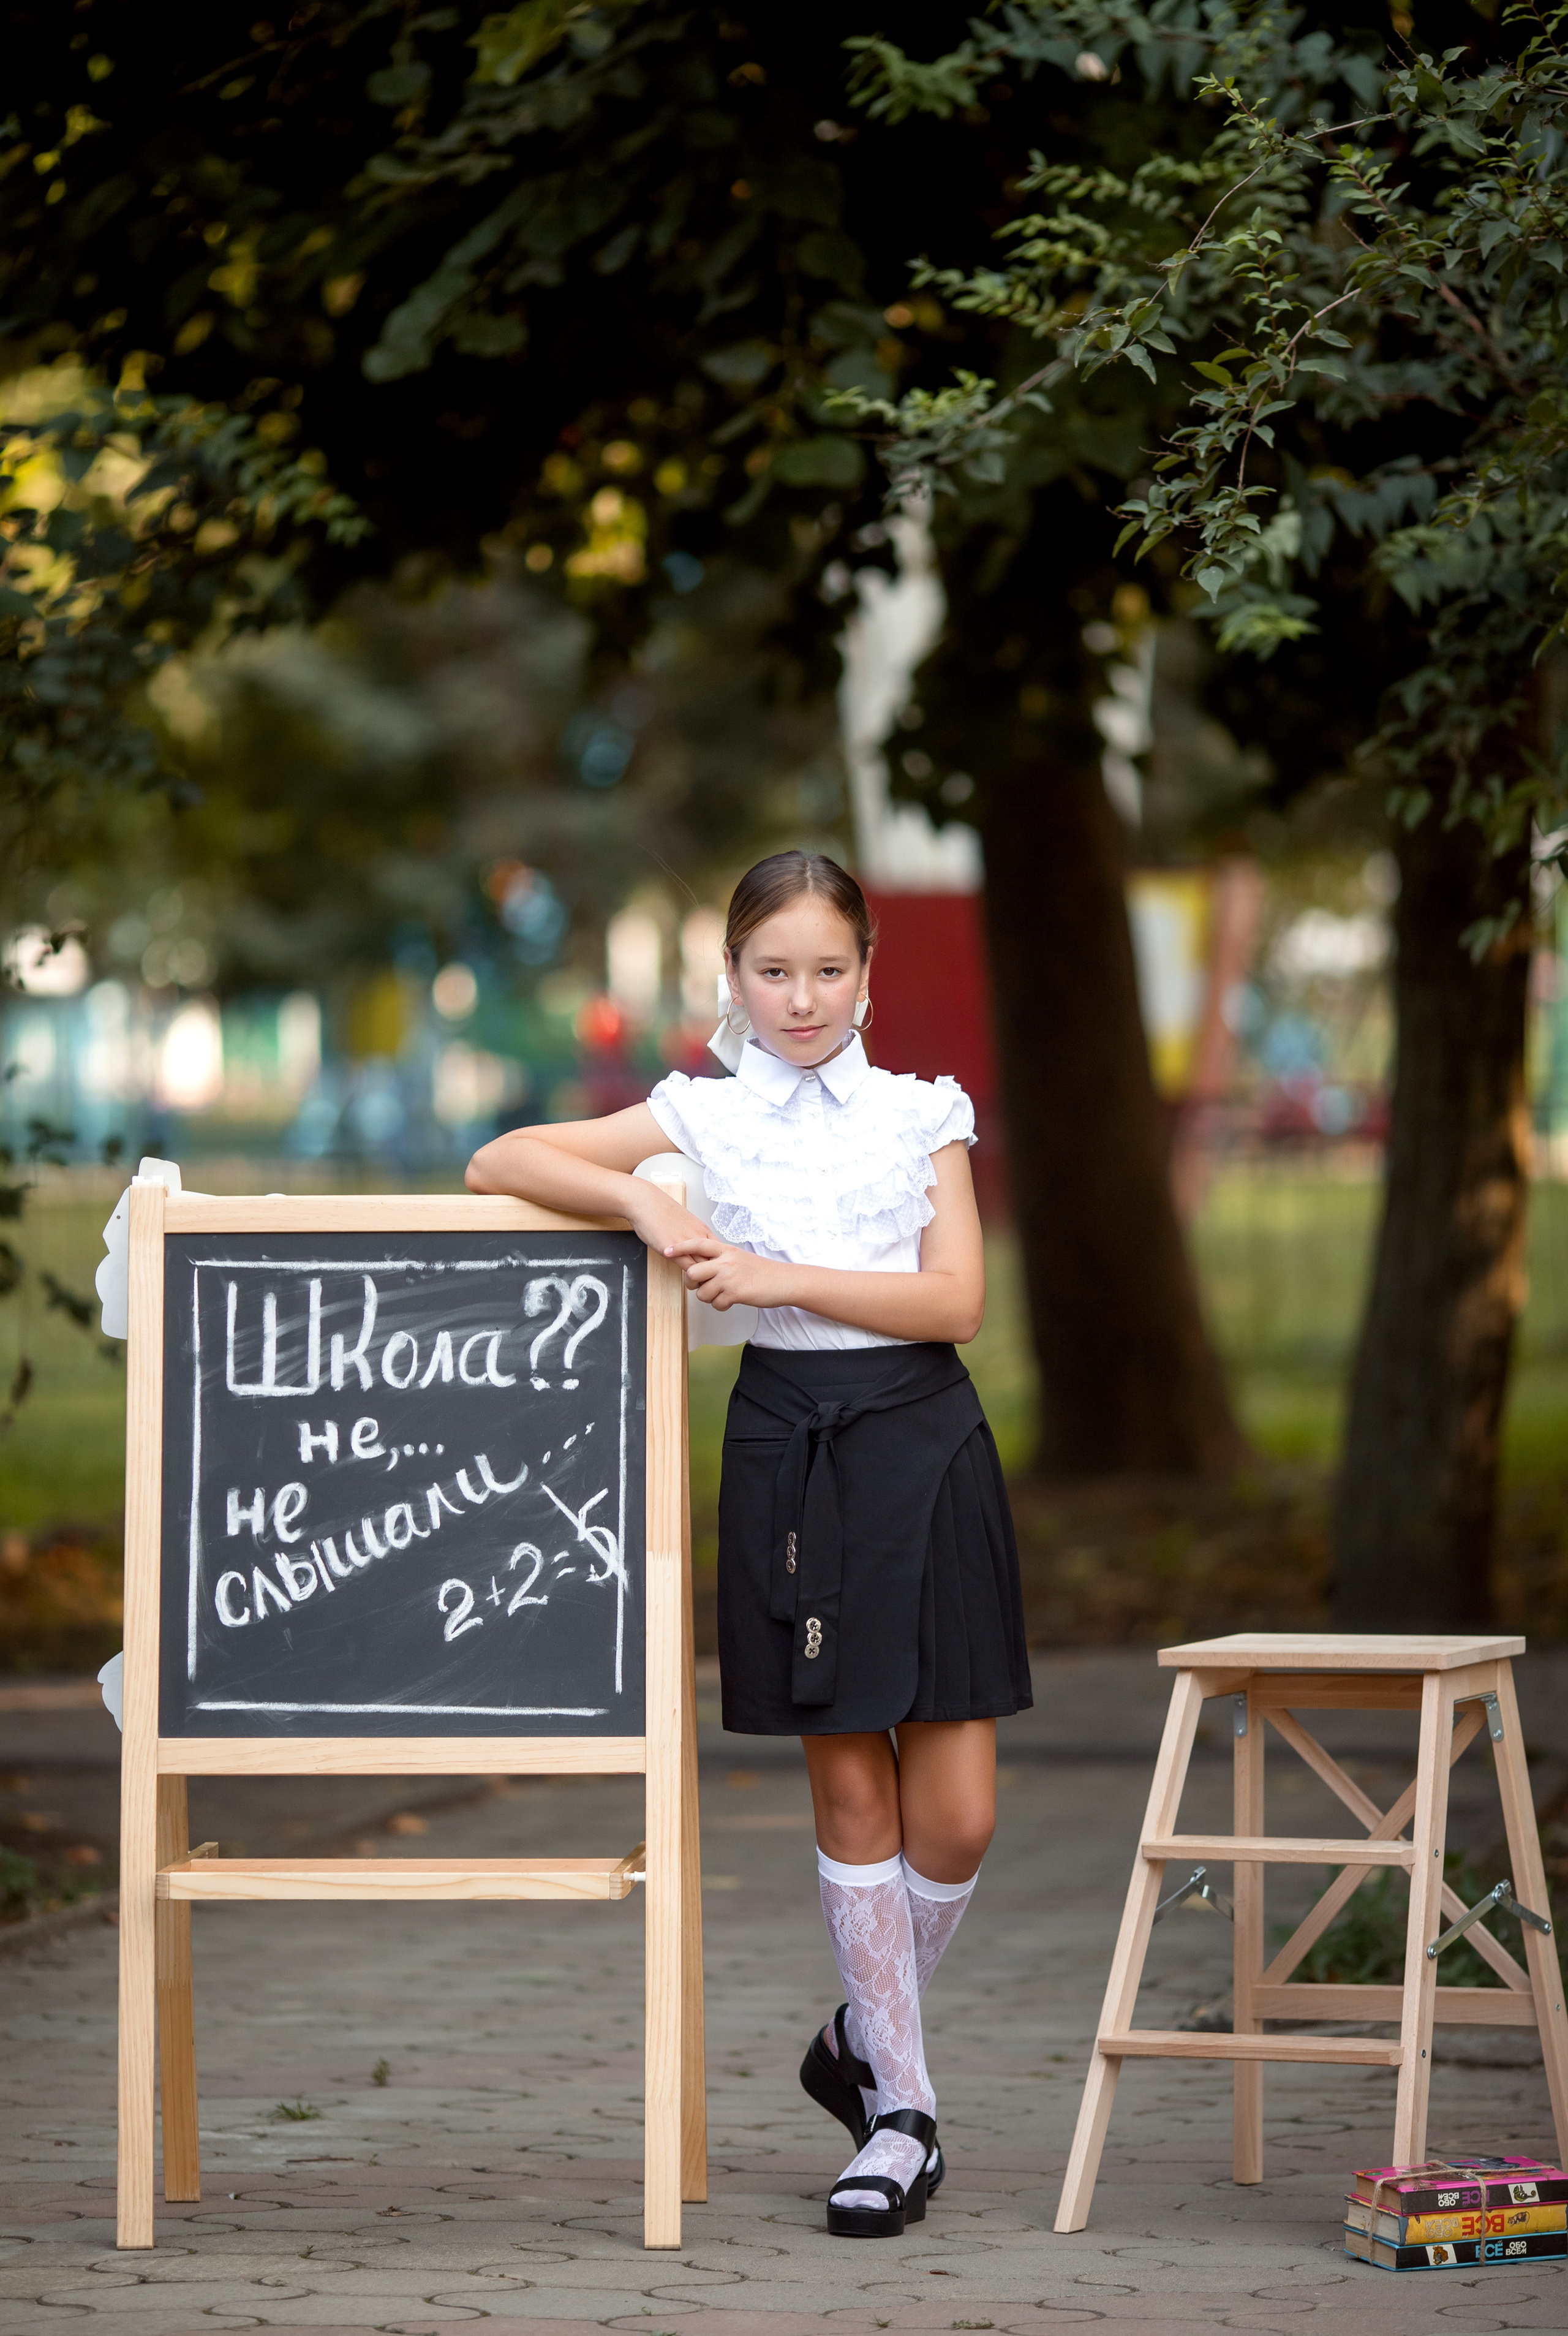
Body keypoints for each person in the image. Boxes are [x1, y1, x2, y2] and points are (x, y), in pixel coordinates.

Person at [467, 849, 1031, 2239]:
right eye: (771, 971)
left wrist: (772, 1271)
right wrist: (648, 1198)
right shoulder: (697, 1112)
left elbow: (953, 1298)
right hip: (790, 1450)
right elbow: (501, 1156)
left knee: (956, 1813)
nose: (800, 996)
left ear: (865, 971)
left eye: (827, 968)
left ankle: (857, 2030)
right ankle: (899, 2114)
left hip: (926, 1441)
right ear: (731, 977)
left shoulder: (920, 1110)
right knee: (853, 1795)